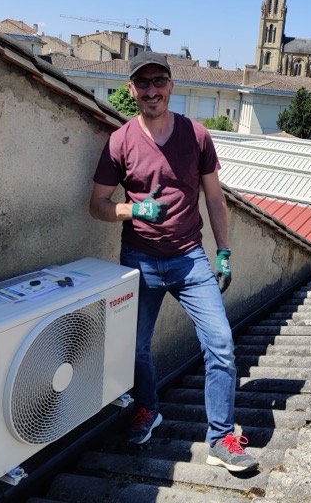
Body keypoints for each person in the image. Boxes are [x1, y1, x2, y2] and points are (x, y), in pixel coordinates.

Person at [89, 51, 257, 473]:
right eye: (142, 84)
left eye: (158, 81)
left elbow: (215, 198)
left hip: (190, 260)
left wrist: (223, 251)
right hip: (140, 260)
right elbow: (96, 205)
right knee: (137, 347)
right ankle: (148, 408)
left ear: (170, 85)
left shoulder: (197, 136)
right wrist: (133, 210)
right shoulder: (120, 141)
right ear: (131, 90)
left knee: (220, 345)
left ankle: (220, 438)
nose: (151, 91)